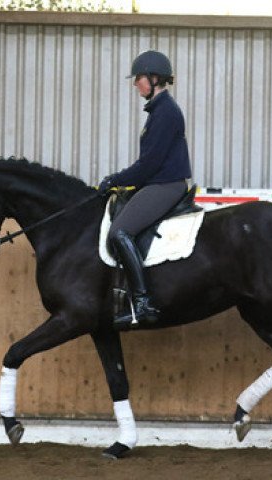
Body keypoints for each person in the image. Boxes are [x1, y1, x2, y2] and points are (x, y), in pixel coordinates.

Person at [98, 50, 192, 331]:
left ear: (154, 78)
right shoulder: (159, 110)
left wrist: (115, 179)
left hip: (165, 185)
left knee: (119, 232)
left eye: (138, 78)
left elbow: (149, 164)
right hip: (159, 182)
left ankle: (143, 302)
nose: (135, 84)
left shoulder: (165, 112)